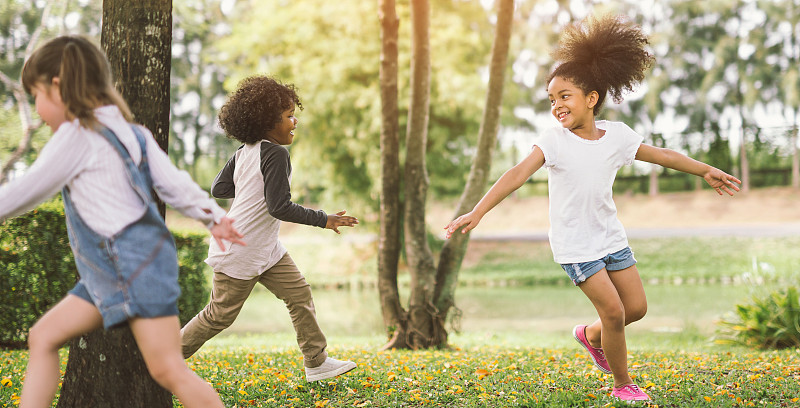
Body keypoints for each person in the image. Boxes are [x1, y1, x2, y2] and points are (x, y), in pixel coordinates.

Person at [444, 15, 741, 402]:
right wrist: (478, 211)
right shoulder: (553, 141)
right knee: (615, 313)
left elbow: (662, 155)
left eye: (564, 95)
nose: (556, 105)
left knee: (635, 308)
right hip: (575, 244)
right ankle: (623, 384)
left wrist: (705, 170)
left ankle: (589, 334)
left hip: (610, 235)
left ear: (592, 98)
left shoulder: (617, 136)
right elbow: (516, 174)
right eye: (552, 99)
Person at [4, 35, 245, 408]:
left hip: (128, 266)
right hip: (115, 270)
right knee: (44, 336)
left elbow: (26, 191)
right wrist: (213, 216)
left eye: (35, 95)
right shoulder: (132, 133)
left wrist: (214, 217)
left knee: (168, 369)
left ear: (57, 86)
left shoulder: (77, 135)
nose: (37, 110)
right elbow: (174, 183)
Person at [180, 75, 358, 382]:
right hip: (241, 248)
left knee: (299, 293)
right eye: (288, 116)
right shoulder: (275, 153)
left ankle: (316, 362)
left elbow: (219, 188)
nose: (294, 121)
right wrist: (323, 219)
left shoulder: (244, 151)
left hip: (265, 248)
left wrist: (249, 188)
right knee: (218, 316)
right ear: (266, 122)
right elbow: (279, 206)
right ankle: (163, 358)